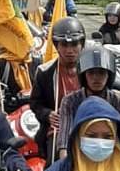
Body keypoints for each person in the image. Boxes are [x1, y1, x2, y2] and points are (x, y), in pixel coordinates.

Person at [56, 42, 120, 153]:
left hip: (114, 153)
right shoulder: (70, 101)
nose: (96, 78)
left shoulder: (118, 100)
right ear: (83, 75)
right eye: (91, 73)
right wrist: (65, 160)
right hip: (79, 153)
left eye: (101, 73)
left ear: (109, 75)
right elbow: (64, 140)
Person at [29, 16, 85, 159]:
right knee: (55, 165)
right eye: (64, 45)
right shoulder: (45, 72)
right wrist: (48, 114)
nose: (69, 50)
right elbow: (35, 103)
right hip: (57, 130)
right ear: (56, 46)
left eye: (74, 44)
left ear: (82, 44)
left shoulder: (91, 71)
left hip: (88, 128)